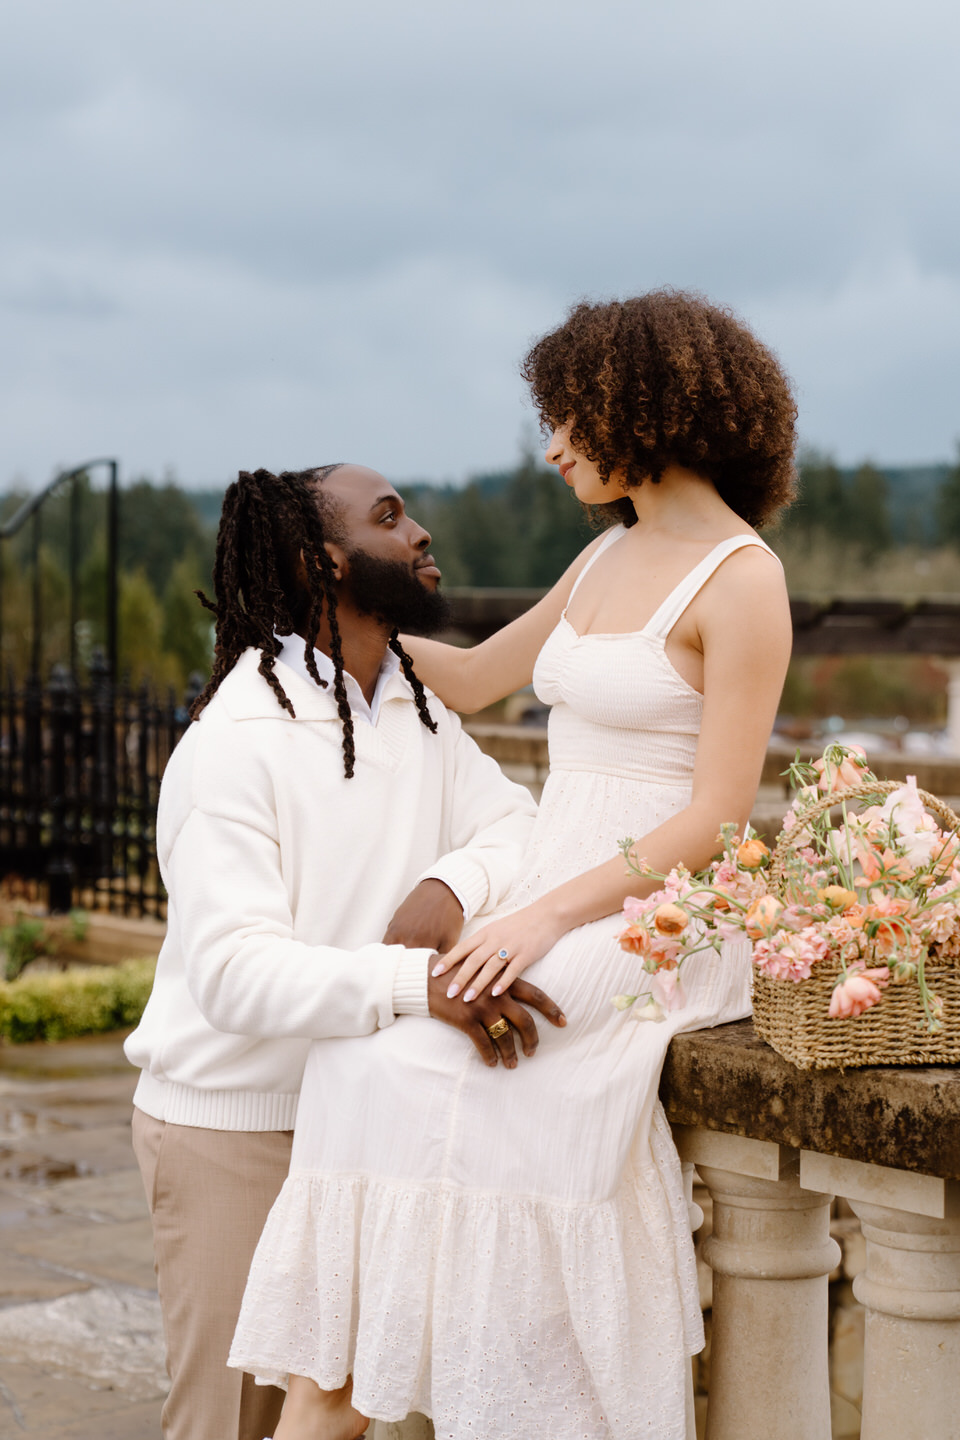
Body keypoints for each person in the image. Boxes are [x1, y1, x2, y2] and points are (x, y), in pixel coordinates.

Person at [229, 291, 797, 1440]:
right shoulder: (605, 558)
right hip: (558, 874)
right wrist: (323, 619)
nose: (552, 445)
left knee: (477, 1072)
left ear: (648, 407)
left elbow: (722, 818)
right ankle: (355, 1373)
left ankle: (519, 1387)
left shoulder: (743, 580)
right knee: (361, 1069)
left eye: (571, 417)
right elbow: (481, 675)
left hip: (657, 909)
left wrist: (547, 919)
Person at [124, 463, 566, 1440]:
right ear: (324, 562)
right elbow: (236, 973)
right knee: (233, 1425)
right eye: (390, 516)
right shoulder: (233, 743)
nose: (421, 532)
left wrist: (448, 887)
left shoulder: (411, 706)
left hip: (365, 1121)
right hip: (236, 1131)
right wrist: (421, 983)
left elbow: (518, 826)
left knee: (344, 1418)